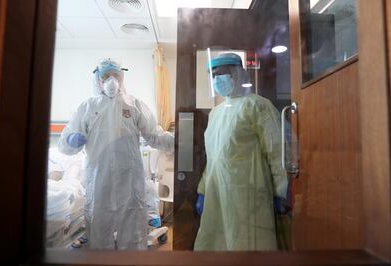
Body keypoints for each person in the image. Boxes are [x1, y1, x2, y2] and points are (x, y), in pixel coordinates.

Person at [58, 58, 174, 250]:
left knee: (133, 233)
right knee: (99, 233)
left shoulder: (134, 104)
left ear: (122, 79)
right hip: (99, 180)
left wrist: (178, 142)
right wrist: (70, 140)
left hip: (129, 181)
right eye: (106, 76)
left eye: (116, 76)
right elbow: (66, 142)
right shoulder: (87, 107)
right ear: (98, 80)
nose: (111, 80)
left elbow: (154, 135)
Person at [193, 53, 288, 251]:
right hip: (216, 192)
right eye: (214, 75)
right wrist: (203, 190)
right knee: (215, 245)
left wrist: (281, 190)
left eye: (222, 73)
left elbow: (276, 151)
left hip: (248, 195)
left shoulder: (257, 105)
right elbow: (213, 159)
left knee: (247, 247)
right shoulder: (215, 113)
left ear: (237, 73)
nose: (217, 79)